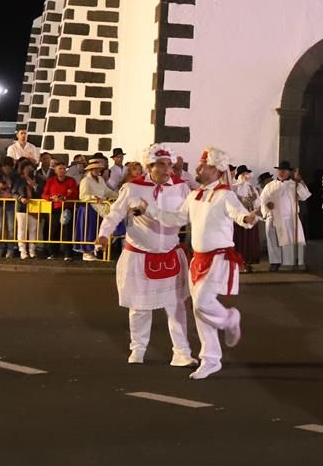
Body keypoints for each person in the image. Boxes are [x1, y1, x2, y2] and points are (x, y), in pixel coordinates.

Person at [158, 146, 259, 380]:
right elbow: (176, 218)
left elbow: (240, 216)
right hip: (198, 259)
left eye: (202, 165)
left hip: (219, 258)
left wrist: (247, 218)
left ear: (214, 169)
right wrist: (148, 211)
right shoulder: (194, 195)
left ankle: (230, 319)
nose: (197, 168)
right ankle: (211, 359)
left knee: (203, 303)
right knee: (198, 309)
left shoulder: (226, 195)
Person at [94, 144, 195, 367]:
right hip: (140, 254)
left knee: (176, 306)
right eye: (162, 164)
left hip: (170, 253)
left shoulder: (181, 188)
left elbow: (190, 215)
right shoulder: (132, 188)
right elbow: (114, 215)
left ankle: (182, 352)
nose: (167, 169)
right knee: (139, 307)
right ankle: (138, 349)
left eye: (169, 165)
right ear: (150, 166)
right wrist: (103, 235)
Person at [258, 161, 310, 271]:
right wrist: (267, 206)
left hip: (289, 218)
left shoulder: (293, 184)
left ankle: (289, 262)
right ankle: (275, 262)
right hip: (273, 216)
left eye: (284, 171)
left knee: (288, 240)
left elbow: (305, 196)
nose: (281, 172)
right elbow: (263, 200)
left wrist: (300, 181)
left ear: (288, 172)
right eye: (279, 170)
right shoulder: (270, 185)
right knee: (273, 240)